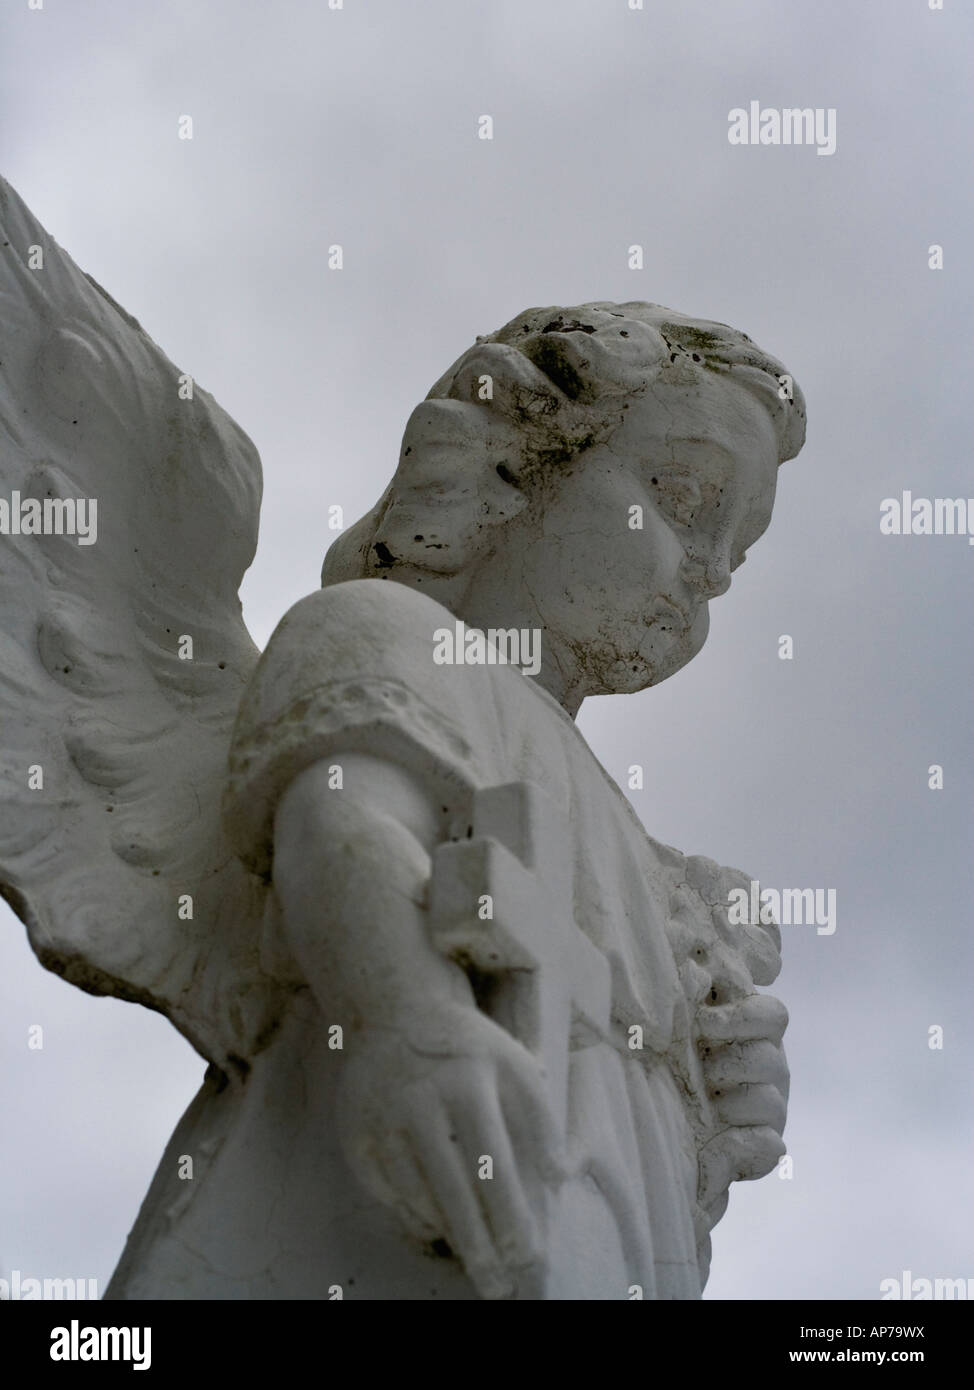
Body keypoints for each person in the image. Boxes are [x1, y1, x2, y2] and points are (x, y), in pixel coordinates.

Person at [108, 302, 804, 1300]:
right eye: (683, 499)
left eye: (736, 548)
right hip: (389, 1190)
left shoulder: (660, 878)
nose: (710, 570)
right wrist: (406, 1016)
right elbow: (342, 814)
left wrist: (721, 1104)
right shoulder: (385, 637)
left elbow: (646, 1108)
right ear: (518, 467)